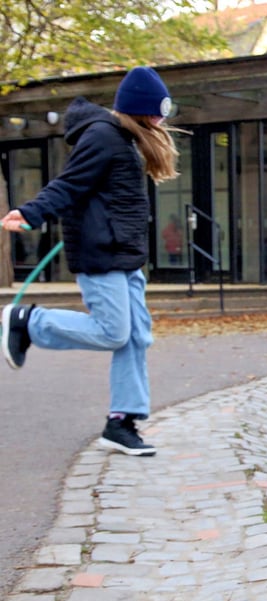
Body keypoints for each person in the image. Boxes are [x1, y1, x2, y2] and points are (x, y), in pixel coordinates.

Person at [1, 66, 182, 457]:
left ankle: (121, 422)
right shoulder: (103, 136)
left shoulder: (124, 139)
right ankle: (28, 321)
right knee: (113, 332)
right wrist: (32, 212)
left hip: (124, 256)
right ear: (138, 109)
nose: (161, 121)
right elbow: (70, 183)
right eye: (157, 112)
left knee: (135, 336)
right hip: (102, 254)